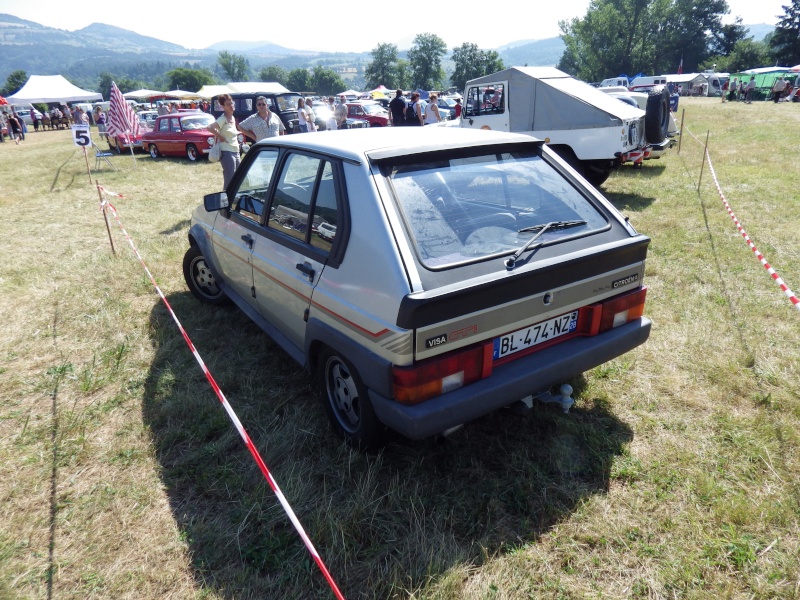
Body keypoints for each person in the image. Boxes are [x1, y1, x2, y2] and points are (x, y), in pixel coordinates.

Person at [208, 93, 240, 190]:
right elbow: (209, 127)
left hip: (236, 151)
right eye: (228, 104)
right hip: (227, 152)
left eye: (232, 103)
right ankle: (225, 200)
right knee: (229, 179)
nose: (231, 106)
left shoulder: (232, 118)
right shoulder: (222, 119)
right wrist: (220, 136)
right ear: (223, 107)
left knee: (239, 177)